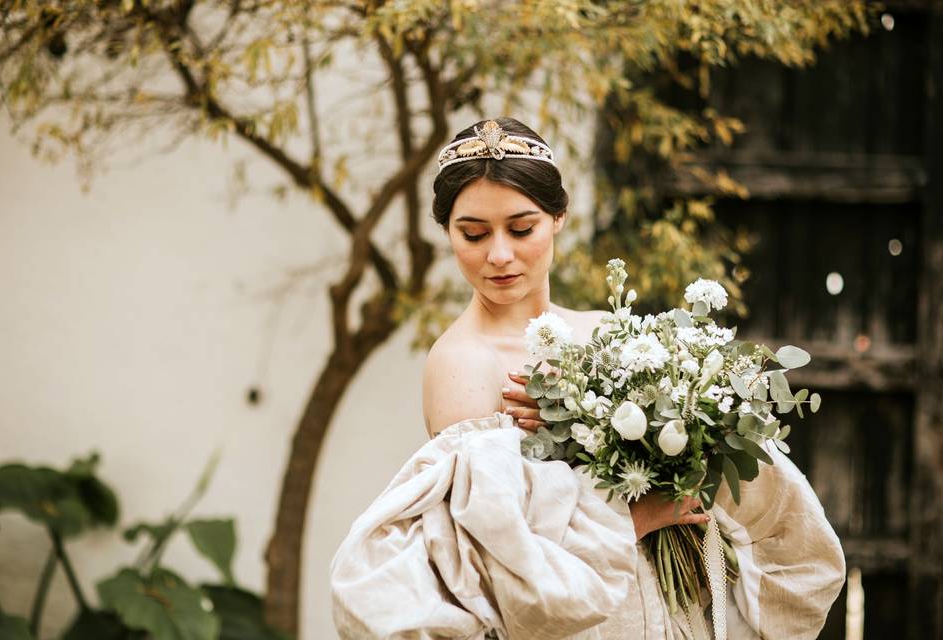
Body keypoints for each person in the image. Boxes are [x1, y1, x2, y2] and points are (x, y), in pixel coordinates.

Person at [330, 118, 845, 640]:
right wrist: (638, 516)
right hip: (579, 622)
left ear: (558, 217)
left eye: (521, 227)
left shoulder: (608, 330)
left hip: (670, 611)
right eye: (474, 234)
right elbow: (499, 558)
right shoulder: (461, 363)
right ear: (446, 232)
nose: (499, 255)